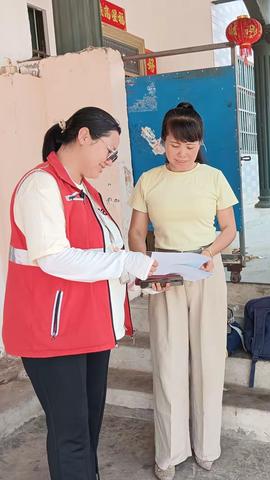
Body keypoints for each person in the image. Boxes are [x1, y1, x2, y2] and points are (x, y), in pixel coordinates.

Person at [2, 107, 156, 480]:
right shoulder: (40, 186)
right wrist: (127, 265)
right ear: (84, 136)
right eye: (110, 150)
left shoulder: (86, 191)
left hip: (88, 328)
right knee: (70, 434)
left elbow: (106, 255)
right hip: (53, 334)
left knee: (87, 428)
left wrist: (138, 276)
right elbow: (55, 259)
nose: (111, 161)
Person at [128, 102, 238, 480]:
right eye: (175, 145)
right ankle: (169, 451)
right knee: (168, 360)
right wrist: (146, 269)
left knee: (209, 359)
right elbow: (136, 234)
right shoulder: (149, 180)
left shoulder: (213, 178)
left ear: (199, 143)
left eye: (190, 146)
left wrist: (209, 253)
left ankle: (207, 447)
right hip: (165, 272)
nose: (182, 153)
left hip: (206, 269)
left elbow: (229, 230)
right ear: (163, 142)